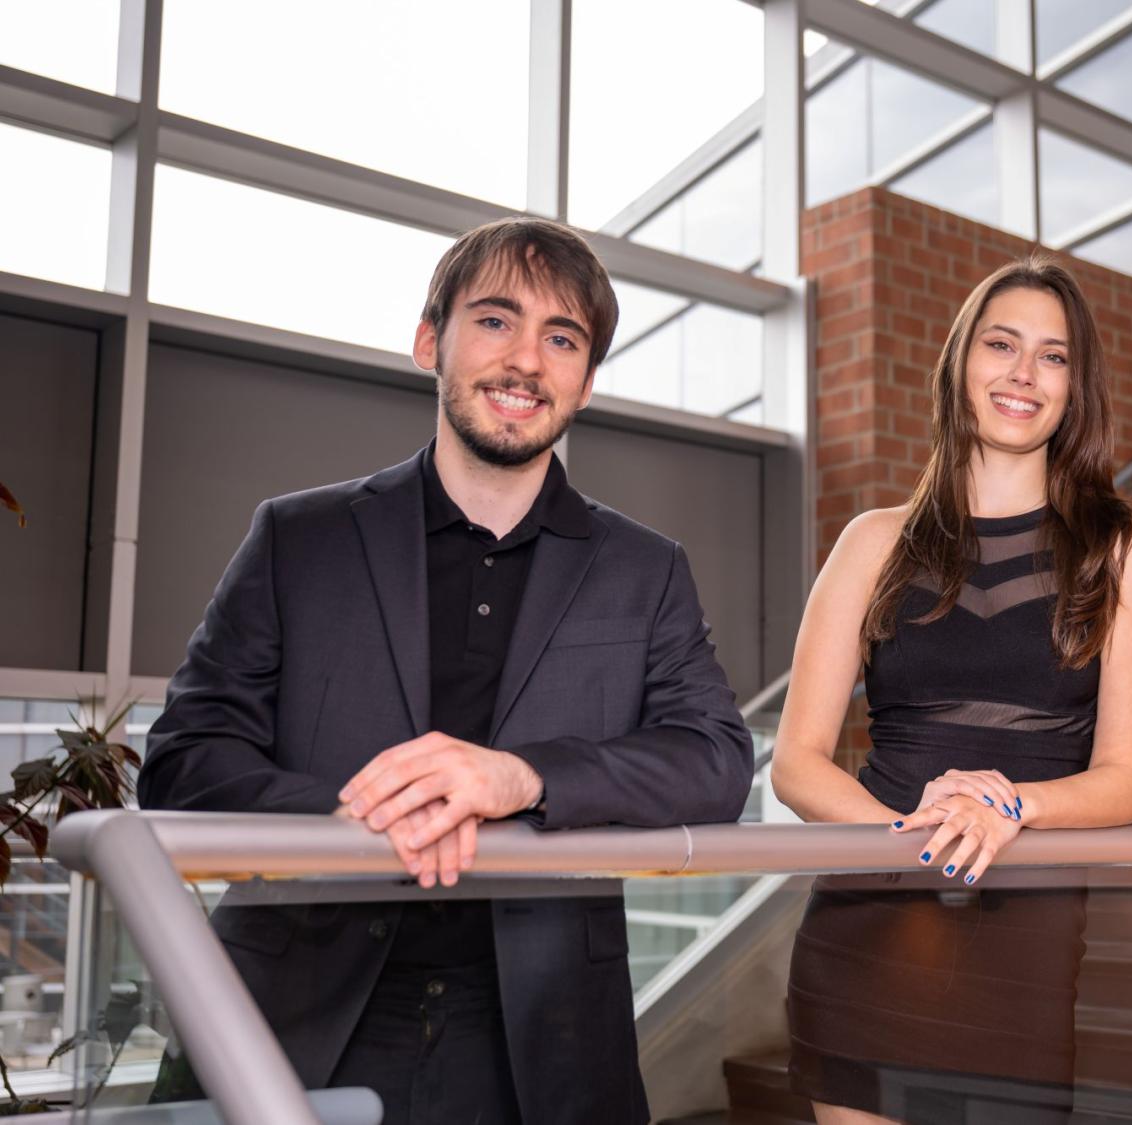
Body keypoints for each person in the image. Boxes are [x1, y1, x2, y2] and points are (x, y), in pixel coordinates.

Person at [137, 216, 755, 1125]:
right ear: (432, 339)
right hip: (292, 1011)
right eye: (495, 321)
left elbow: (716, 761)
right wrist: (351, 819)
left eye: (561, 338)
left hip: (540, 1039)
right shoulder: (298, 539)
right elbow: (184, 758)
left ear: (584, 382)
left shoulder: (644, 567)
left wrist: (526, 775)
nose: (525, 361)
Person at [771, 254, 1132, 1124]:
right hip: (867, 920)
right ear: (960, 362)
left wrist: (1008, 805)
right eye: (1002, 343)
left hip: (1024, 938)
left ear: (1076, 385)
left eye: (1054, 355)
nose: (1024, 373)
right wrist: (913, 831)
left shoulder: (1120, 547)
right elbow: (797, 763)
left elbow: (1124, 780)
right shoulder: (870, 543)